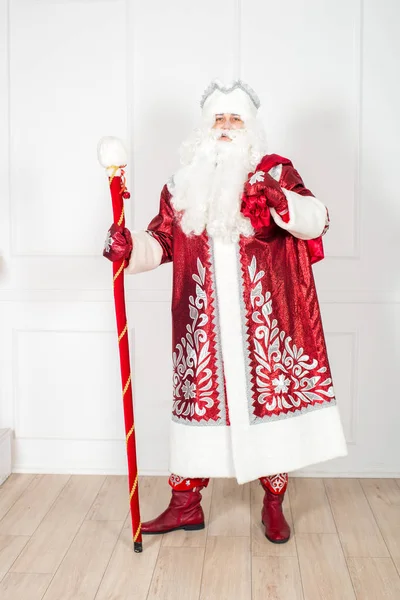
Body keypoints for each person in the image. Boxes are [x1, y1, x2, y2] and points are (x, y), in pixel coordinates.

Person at [103, 80, 347, 544]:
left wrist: (278, 201)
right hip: (204, 322)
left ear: (251, 126)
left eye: (236, 119)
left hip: (264, 320)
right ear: (205, 126)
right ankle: (185, 505)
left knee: (267, 405)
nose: (227, 127)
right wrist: (127, 247)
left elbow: (317, 218)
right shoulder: (183, 182)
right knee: (200, 403)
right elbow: (162, 242)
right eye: (219, 119)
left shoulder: (276, 172)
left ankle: (273, 504)